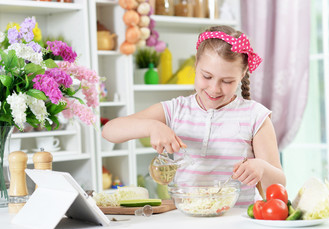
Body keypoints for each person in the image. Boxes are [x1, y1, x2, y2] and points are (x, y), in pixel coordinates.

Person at [102, 25, 286, 206]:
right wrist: (151, 126)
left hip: (236, 225)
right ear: (196, 65)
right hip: (186, 221)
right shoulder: (176, 109)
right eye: (207, 76)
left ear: (242, 74)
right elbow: (109, 131)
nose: (214, 88)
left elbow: (279, 188)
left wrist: (262, 168)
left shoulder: (255, 116)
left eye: (227, 81)